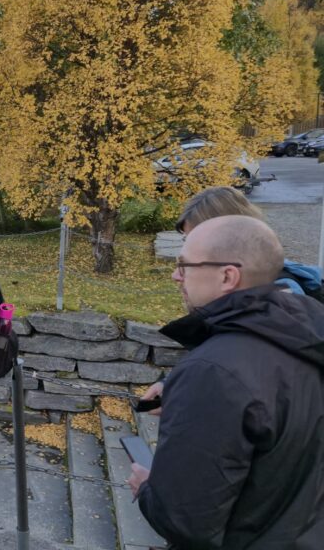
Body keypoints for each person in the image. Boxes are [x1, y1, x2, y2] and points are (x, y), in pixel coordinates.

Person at [128, 215, 324, 548]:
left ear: (227, 276)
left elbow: (184, 519)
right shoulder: (305, 334)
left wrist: (148, 488)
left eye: (185, 266)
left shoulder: (214, 372)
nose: (176, 276)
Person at [140, 186, 322, 412]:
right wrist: (173, 385)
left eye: (195, 238)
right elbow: (222, 352)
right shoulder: (245, 294)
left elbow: (260, 384)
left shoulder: (282, 297)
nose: (188, 248)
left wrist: (186, 398)